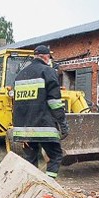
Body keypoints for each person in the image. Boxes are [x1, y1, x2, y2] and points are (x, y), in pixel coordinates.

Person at [12, 45, 70, 178]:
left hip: (23, 128)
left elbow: (17, 103)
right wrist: (63, 124)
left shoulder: (20, 75)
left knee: (30, 161)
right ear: (45, 57)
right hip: (43, 126)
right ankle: (48, 187)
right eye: (49, 57)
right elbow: (54, 102)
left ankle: (32, 189)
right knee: (55, 156)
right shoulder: (48, 71)